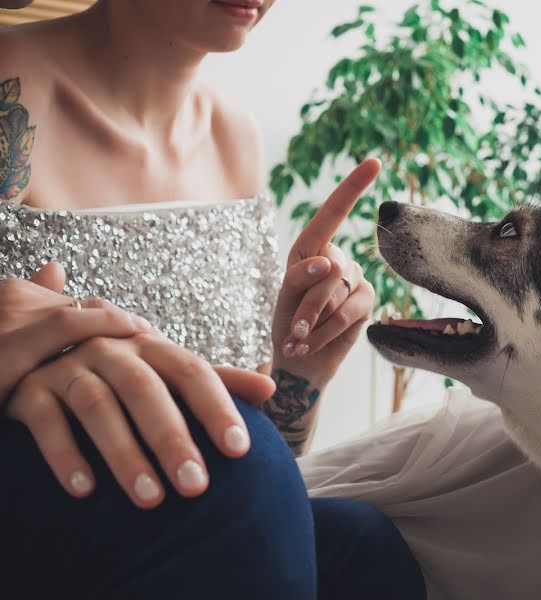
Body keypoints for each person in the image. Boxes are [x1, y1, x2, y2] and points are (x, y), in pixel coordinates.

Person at [0, 1, 425, 598]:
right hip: (50, 492)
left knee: (364, 544)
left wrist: (297, 372)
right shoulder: (10, 90)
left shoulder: (234, 138)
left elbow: (264, 450)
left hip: (190, 512)